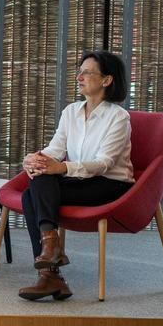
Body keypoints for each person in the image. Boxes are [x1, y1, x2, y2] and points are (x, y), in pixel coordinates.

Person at [17, 50, 134, 301]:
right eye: (79, 71)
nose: (79, 76)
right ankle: (51, 257)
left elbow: (104, 164)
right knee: (38, 181)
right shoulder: (71, 111)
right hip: (80, 181)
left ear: (106, 80)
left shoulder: (118, 117)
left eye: (87, 72)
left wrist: (62, 168)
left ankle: (50, 274)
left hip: (110, 185)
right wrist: (34, 159)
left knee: (32, 195)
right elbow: (55, 151)